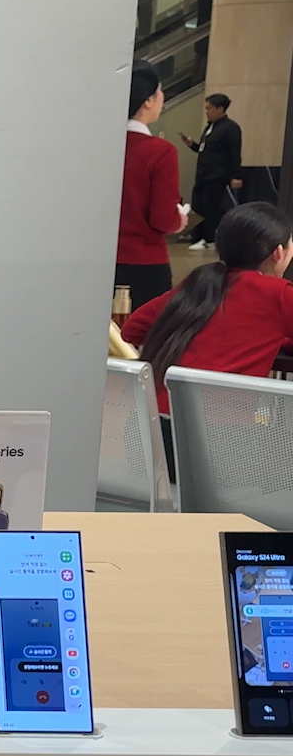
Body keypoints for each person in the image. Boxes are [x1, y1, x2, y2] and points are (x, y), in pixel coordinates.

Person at [121, 201, 293, 478]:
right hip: (220, 444)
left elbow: (132, 329)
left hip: (148, 436)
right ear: (279, 253)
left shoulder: (198, 284)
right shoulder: (278, 293)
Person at [119, 62, 187, 310]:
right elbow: (162, 218)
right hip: (144, 262)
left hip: (98, 261)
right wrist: (179, 219)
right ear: (148, 100)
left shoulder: (97, 146)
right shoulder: (160, 152)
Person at [181, 93, 244, 248]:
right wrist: (193, 145)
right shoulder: (210, 127)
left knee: (211, 206)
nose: (207, 112)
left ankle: (208, 238)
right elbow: (205, 149)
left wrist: (236, 176)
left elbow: (234, 153)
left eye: (209, 108)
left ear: (220, 109)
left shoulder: (231, 128)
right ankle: (199, 235)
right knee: (199, 204)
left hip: (217, 175)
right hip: (203, 174)